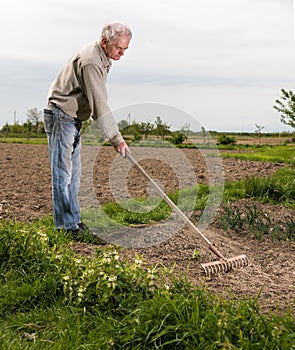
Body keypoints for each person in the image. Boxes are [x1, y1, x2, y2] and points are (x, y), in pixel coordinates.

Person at [43, 22, 132, 237]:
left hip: (72, 119)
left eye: (125, 50)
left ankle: (72, 222)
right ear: (104, 41)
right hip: (61, 117)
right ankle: (66, 227)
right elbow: (99, 104)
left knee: (74, 176)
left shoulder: (103, 58)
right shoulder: (91, 61)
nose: (121, 54)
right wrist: (116, 139)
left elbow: (95, 101)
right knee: (63, 175)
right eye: (119, 48)